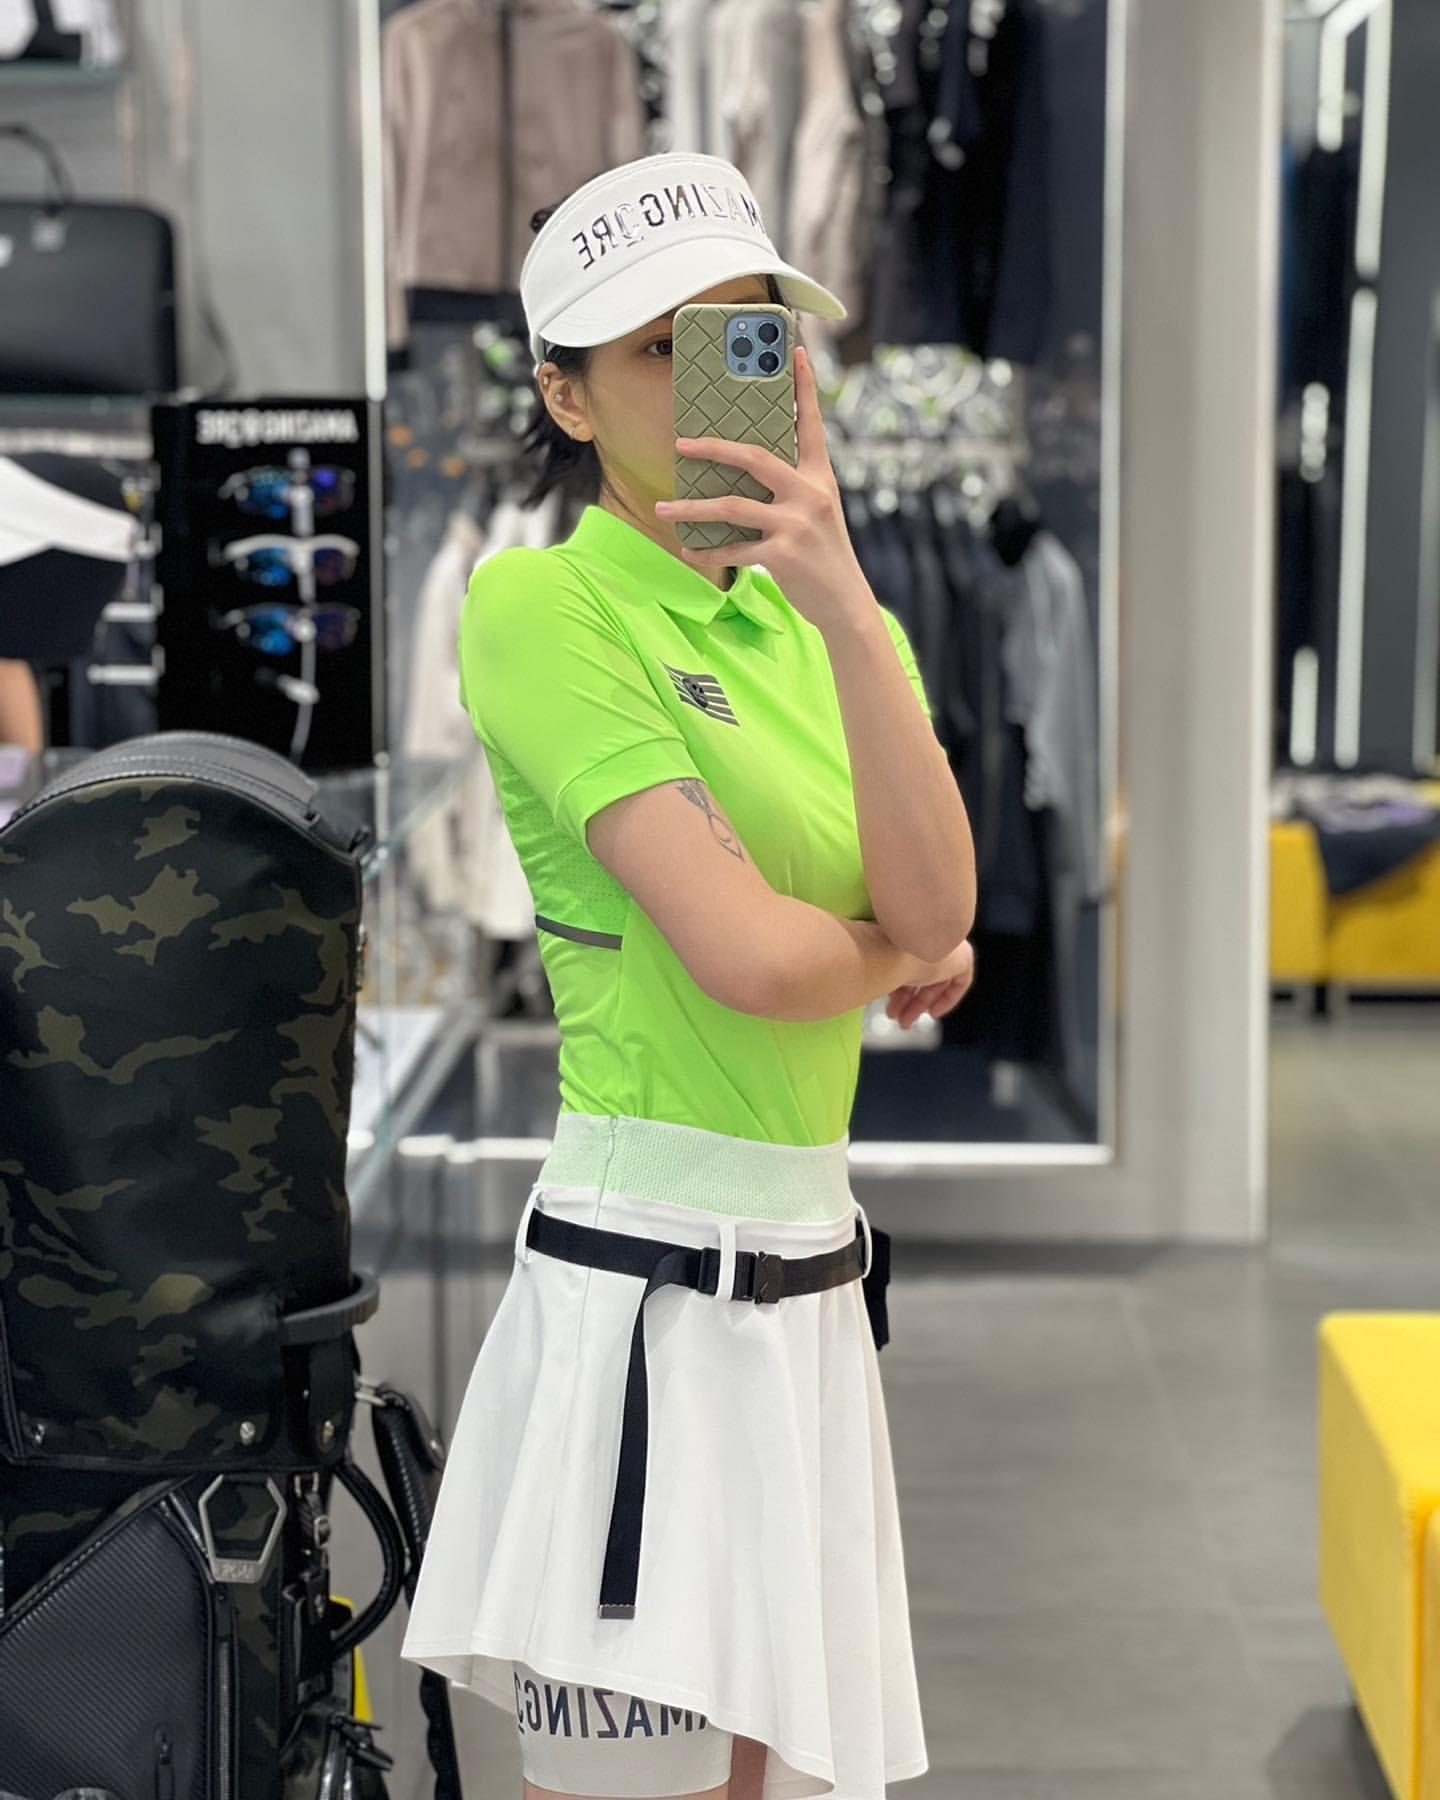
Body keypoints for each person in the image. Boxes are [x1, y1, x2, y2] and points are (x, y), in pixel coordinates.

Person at [400, 152, 977, 1800]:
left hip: (809, 1285)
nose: (722, 375)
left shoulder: (836, 629)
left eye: (747, 333)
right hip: (648, 1287)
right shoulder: (541, 604)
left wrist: (844, 597)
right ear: (565, 395)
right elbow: (753, 958)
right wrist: (898, 947)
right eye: (660, 348)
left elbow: (948, 898)